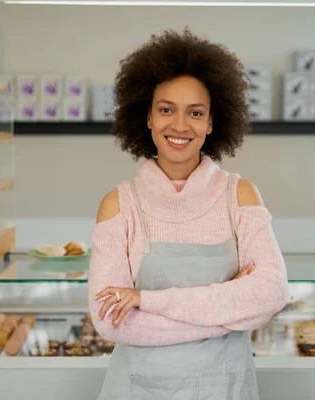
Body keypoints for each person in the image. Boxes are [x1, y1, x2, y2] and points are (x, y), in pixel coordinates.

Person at [88, 28, 288, 400]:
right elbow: (111, 322)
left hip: (226, 389)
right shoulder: (118, 205)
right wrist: (229, 309)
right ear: (147, 116)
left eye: (195, 113)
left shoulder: (240, 196)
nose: (179, 126)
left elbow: (271, 294)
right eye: (166, 110)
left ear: (212, 122)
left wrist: (147, 301)